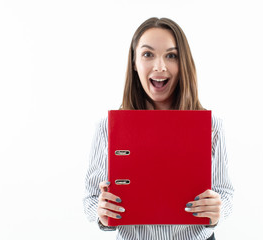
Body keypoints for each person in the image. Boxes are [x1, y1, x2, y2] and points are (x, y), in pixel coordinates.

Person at [83, 17, 234, 240]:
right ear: (134, 63)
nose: (160, 66)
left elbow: (226, 195)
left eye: (171, 56)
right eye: (148, 54)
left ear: (183, 63)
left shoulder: (212, 127)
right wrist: (102, 213)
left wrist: (216, 210)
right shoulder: (108, 127)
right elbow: (91, 199)